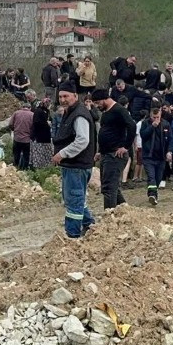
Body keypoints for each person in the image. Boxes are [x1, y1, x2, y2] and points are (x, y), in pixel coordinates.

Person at [52, 83, 98, 238]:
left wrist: (62, 154)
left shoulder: (79, 114)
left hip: (77, 166)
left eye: (66, 96)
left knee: (74, 202)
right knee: (77, 200)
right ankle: (91, 227)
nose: (63, 99)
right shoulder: (71, 112)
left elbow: (82, 140)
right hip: (74, 166)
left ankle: (73, 236)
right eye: (60, 96)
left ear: (75, 96)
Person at [94, 89, 132, 209]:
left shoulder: (119, 110)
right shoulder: (106, 112)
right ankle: (126, 211)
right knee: (109, 187)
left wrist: (126, 147)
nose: (97, 106)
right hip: (106, 154)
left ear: (105, 98)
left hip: (115, 155)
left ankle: (109, 215)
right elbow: (106, 132)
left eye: (97, 102)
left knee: (109, 188)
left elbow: (132, 125)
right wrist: (100, 151)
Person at [139, 106, 172, 205]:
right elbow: (143, 135)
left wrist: (169, 151)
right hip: (148, 156)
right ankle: (153, 195)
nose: (156, 119)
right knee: (151, 177)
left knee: (158, 178)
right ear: (150, 116)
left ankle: (153, 193)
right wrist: (152, 126)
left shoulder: (166, 124)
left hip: (161, 156)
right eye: (154, 117)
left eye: (158, 117)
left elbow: (170, 139)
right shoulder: (145, 123)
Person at [10, 101, 35, 171]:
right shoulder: (32, 115)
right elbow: (34, 127)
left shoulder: (16, 113)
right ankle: (24, 170)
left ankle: (14, 169)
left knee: (16, 155)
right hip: (27, 140)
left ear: (22, 107)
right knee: (26, 156)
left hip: (17, 139)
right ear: (30, 108)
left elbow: (10, 124)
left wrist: (14, 130)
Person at [30, 98, 55, 168]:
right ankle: (38, 168)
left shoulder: (46, 111)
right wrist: (46, 124)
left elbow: (50, 120)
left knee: (46, 153)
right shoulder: (38, 111)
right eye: (48, 104)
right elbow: (36, 123)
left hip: (45, 136)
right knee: (39, 154)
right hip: (39, 137)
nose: (50, 105)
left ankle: (46, 168)